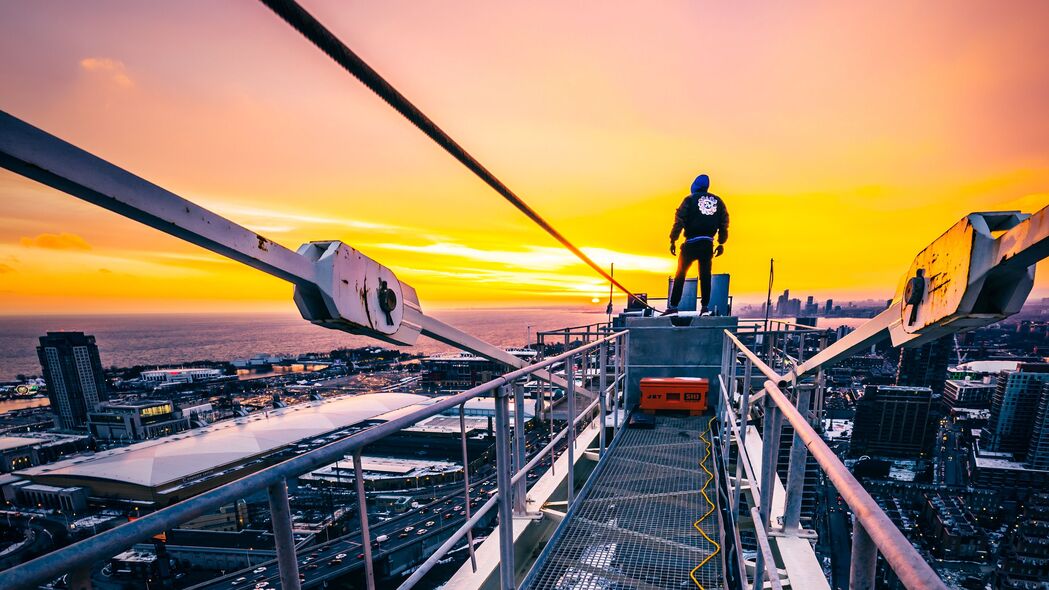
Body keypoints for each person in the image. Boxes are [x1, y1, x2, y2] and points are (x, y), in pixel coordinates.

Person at [664, 173, 729, 315]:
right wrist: (721, 243)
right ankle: (705, 307)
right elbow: (724, 223)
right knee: (705, 275)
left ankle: (673, 306)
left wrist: (673, 240)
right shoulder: (718, 201)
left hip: (691, 243)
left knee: (680, 274)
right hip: (707, 244)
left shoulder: (689, 200)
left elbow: (679, 220)